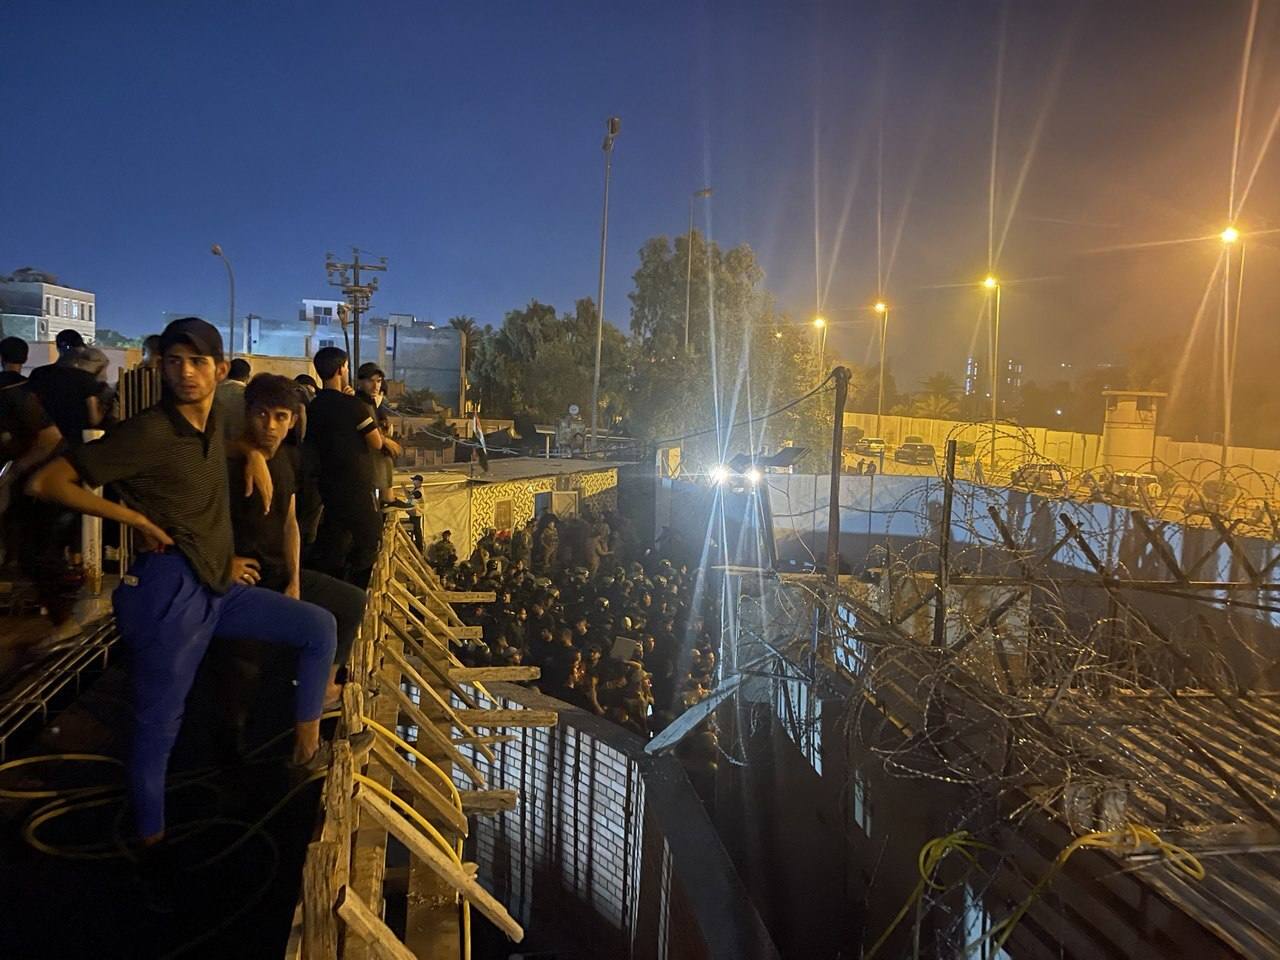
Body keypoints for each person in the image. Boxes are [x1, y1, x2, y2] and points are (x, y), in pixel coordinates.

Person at [26, 318, 360, 857]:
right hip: (167, 590)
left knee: (318, 627)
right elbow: (47, 481)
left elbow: (210, 453)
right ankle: (151, 845)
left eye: (198, 361)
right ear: (161, 366)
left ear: (219, 370)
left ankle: (305, 751)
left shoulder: (209, 428)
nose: (185, 372)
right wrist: (131, 519)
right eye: (175, 361)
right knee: (160, 723)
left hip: (214, 585)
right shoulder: (149, 430)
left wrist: (249, 453)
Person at [225, 373, 367, 714]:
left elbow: (289, 523)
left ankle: (325, 688)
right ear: (247, 414)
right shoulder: (228, 462)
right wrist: (224, 561)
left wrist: (295, 580)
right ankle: (304, 737)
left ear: (293, 421)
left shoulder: (288, 459)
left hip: (278, 573)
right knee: (317, 627)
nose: (270, 426)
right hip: (244, 581)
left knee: (354, 602)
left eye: (280, 417)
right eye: (262, 414)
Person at [304, 346, 400, 589]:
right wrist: (386, 439)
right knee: (370, 537)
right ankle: (355, 588)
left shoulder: (314, 406)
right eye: (346, 367)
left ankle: (331, 586)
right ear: (340, 369)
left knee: (336, 536)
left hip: (326, 483)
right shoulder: (353, 405)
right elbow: (376, 441)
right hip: (355, 482)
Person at [215, 357, 251, 443]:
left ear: (226, 373)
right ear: (248, 377)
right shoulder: (250, 396)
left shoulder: (213, 392)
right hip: (241, 448)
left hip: (215, 446)